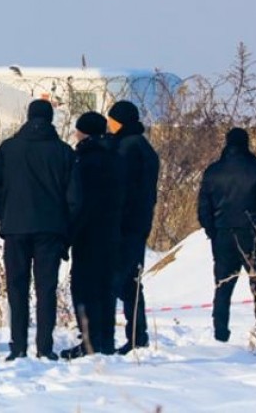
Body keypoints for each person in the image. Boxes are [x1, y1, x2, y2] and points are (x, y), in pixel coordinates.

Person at [0, 99, 74, 361]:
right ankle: (45, 347)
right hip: (50, 229)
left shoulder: (7, 149)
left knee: (17, 288)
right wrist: (65, 228)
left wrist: (7, 215)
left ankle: (18, 347)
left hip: (15, 228)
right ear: (51, 119)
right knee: (46, 289)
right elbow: (74, 197)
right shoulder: (64, 152)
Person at [198, 128, 256, 342]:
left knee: (223, 285)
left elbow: (203, 207)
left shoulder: (212, 171)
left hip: (223, 234)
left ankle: (220, 331)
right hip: (251, 233)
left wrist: (212, 230)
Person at [61, 111, 126, 359]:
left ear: (83, 132)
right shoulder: (118, 157)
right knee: (106, 287)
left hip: (88, 233)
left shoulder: (83, 160)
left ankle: (89, 340)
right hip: (113, 231)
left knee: (83, 287)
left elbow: (80, 202)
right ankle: (106, 341)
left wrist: (69, 235)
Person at [106, 99, 160, 354]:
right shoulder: (145, 148)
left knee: (114, 280)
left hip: (124, 225)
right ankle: (138, 335)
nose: (108, 124)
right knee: (131, 282)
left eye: (111, 120)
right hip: (140, 224)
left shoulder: (126, 149)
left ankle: (104, 335)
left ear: (120, 121)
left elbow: (121, 190)